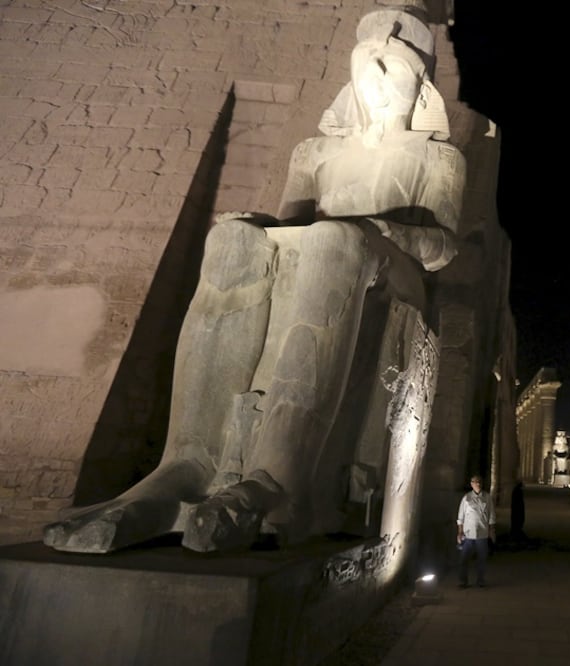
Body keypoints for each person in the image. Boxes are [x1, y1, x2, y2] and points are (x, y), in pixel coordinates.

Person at [44, 7, 464, 554]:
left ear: (421, 89)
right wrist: (255, 224)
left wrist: (387, 231)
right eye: (369, 67)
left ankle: (278, 478)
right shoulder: (314, 152)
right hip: (330, 251)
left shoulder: (438, 158)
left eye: (395, 69)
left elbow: (443, 249)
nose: (379, 80)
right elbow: (289, 223)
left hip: (392, 274)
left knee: (334, 240)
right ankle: (185, 464)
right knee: (232, 242)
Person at [456, 475, 495, 588]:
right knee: (464, 559)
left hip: (482, 533)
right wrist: (460, 532)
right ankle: (463, 581)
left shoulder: (487, 497)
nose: (478, 484)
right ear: (471, 484)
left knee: (482, 559)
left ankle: (480, 581)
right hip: (468, 534)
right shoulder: (466, 498)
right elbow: (461, 517)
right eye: (475, 482)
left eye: (479, 482)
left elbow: (491, 515)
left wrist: (492, 531)